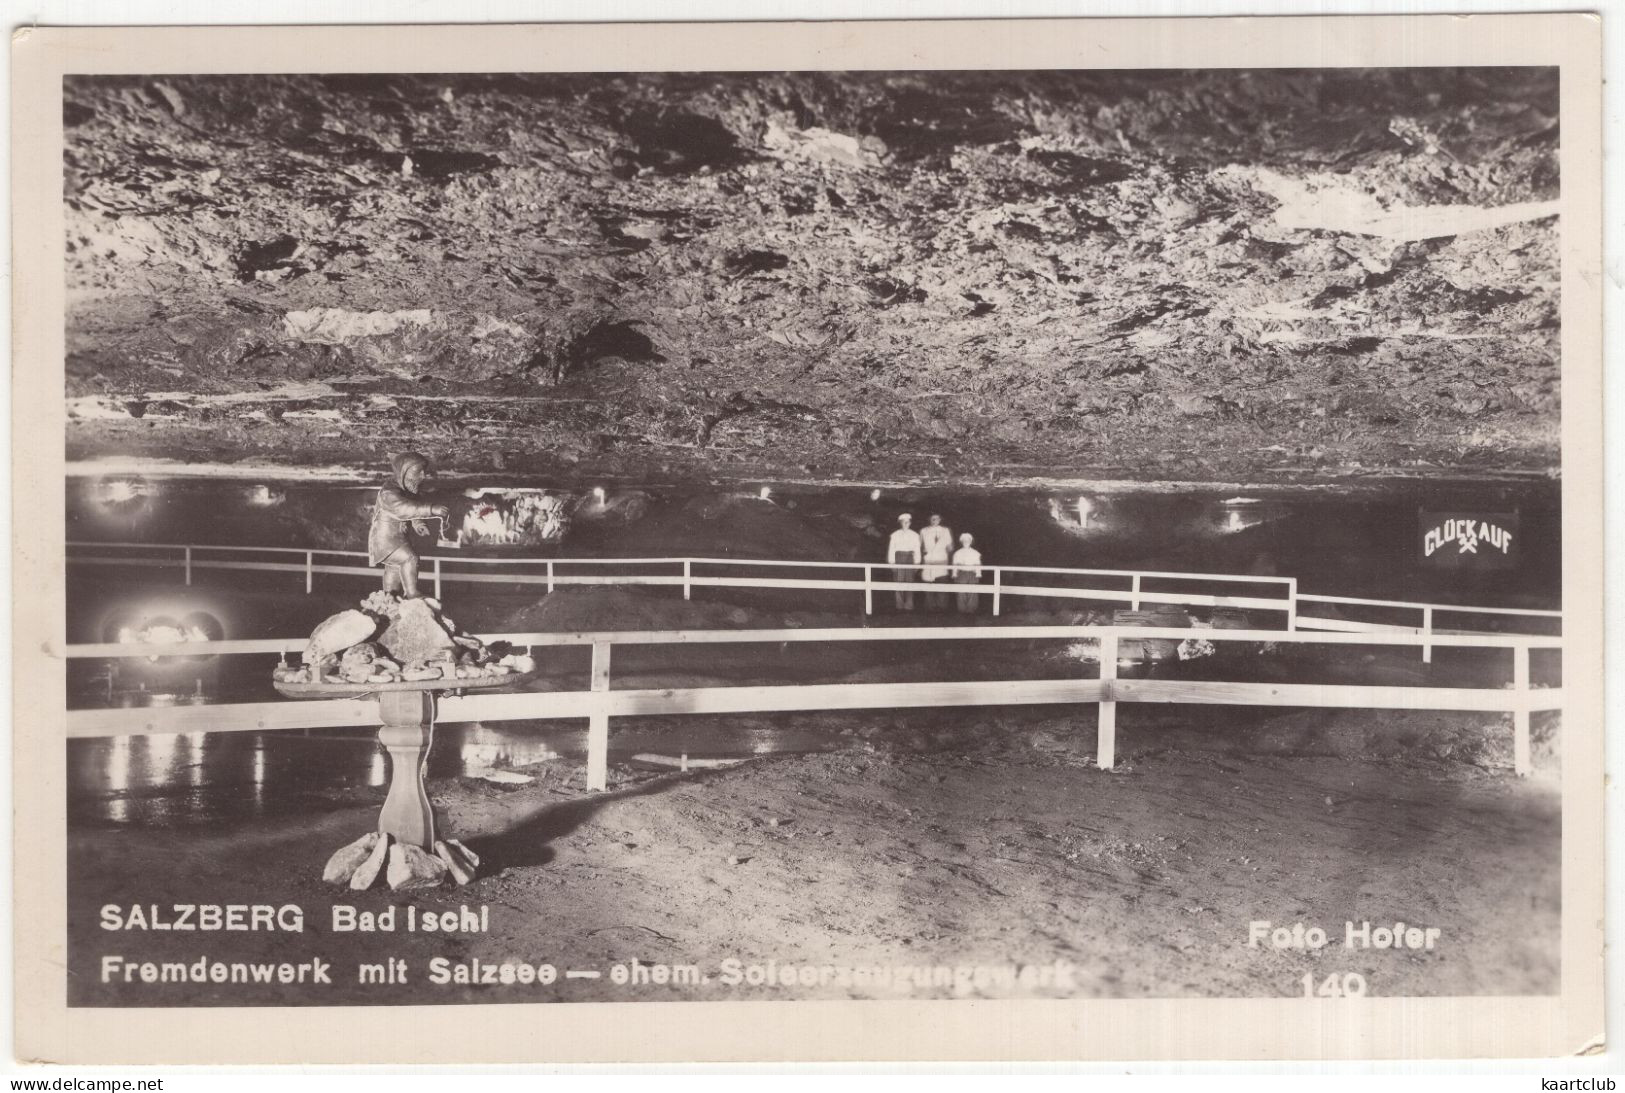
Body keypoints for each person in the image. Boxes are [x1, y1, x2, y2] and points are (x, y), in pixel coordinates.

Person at [368, 452, 450, 599]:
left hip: (394, 538)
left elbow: (411, 505)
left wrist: (418, 523)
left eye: (423, 471)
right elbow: (404, 509)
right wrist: (431, 509)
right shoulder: (389, 493)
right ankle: (412, 593)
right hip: (386, 539)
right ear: (403, 472)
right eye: (417, 472)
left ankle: (390, 597)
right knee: (410, 558)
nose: (423, 476)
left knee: (393, 568)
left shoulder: (403, 490)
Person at [887, 513, 923, 611]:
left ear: (910, 523)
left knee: (910, 582)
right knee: (898, 581)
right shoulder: (895, 535)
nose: (906, 524)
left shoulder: (915, 535)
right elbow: (891, 550)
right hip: (898, 559)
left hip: (910, 559)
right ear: (900, 523)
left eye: (908, 522)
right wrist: (892, 563)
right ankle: (899, 605)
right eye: (904, 522)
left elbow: (917, 550)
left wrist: (917, 564)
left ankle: (909, 605)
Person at [920, 513, 954, 611]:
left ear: (940, 520)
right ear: (929, 520)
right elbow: (920, 545)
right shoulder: (924, 531)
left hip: (941, 560)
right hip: (929, 560)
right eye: (932, 519)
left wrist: (947, 550)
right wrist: (924, 553)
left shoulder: (945, 530)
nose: (935, 520)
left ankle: (942, 607)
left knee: (941, 583)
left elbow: (950, 547)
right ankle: (930, 607)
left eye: (937, 519)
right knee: (928, 584)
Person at [951, 532, 984, 615]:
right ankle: (962, 610)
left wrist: (978, 573)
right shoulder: (957, 553)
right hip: (962, 574)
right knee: (961, 592)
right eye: (964, 540)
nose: (966, 542)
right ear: (961, 542)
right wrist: (954, 573)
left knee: (972, 591)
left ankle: (971, 609)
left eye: (968, 540)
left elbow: (978, 564)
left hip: (972, 574)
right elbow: (955, 564)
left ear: (971, 541)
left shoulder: (975, 553)